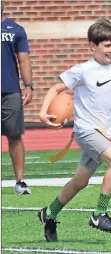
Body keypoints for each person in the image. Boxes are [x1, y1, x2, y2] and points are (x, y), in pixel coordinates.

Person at [38, 19, 111, 242]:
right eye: (107, 46)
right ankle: (99, 214)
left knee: (80, 182)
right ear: (93, 46)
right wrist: (43, 112)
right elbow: (55, 88)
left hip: (103, 133)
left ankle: (48, 213)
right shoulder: (83, 70)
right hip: (86, 130)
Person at [1, 1, 33, 195]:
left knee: (14, 136)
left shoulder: (16, 29)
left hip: (10, 90)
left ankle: (20, 181)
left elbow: (24, 59)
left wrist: (28, 85)